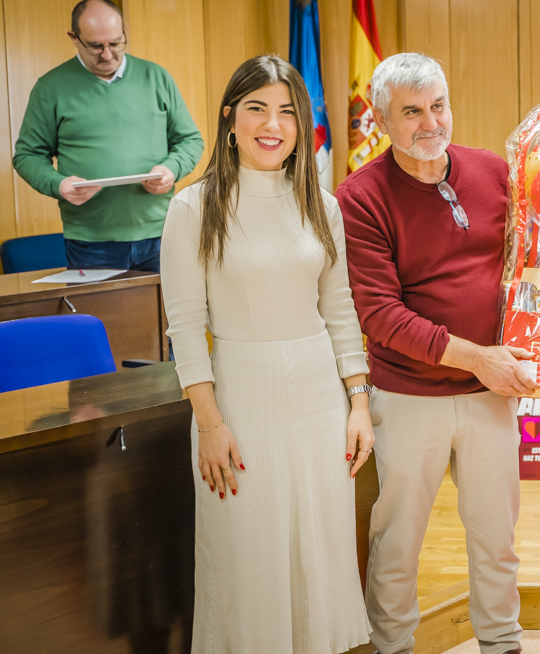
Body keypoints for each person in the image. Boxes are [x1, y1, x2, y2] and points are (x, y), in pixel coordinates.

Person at [160, 55, 373, 654]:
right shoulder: (193, 208)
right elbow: (185, 328)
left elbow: (340, 311)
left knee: (318, 554)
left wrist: (358, 404)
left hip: (320, 398)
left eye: (287, 111)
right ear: (230, 118)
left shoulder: (321, 205)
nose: (272, 124)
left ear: (302, 124)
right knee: (247, 557)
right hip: (239, 402)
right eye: (257, 109)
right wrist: (210, 424)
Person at [336, 52, 536, 654]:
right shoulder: (359, 196)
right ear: (380, 120)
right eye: (412, 112)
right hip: (407, 396)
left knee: (497, 537)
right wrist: (479, 358)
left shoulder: (495, 171)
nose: (431, 123)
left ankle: (502, 642)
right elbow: (381, 316)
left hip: (488, 394)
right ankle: (391, 645)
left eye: (439, 106)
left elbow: (529, 264)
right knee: (397, 541)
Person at [13, 0, 203, 271]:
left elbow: (190, 140)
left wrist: (172, 169)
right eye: (95, 46)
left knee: (169, 302)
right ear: (74, 38)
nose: (106, 55)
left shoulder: (157, 77)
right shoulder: (50, 87)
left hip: (162, 232)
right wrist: (59, 184)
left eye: (115, 43)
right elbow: (27, 155)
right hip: (90, 242)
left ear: (124, 31)